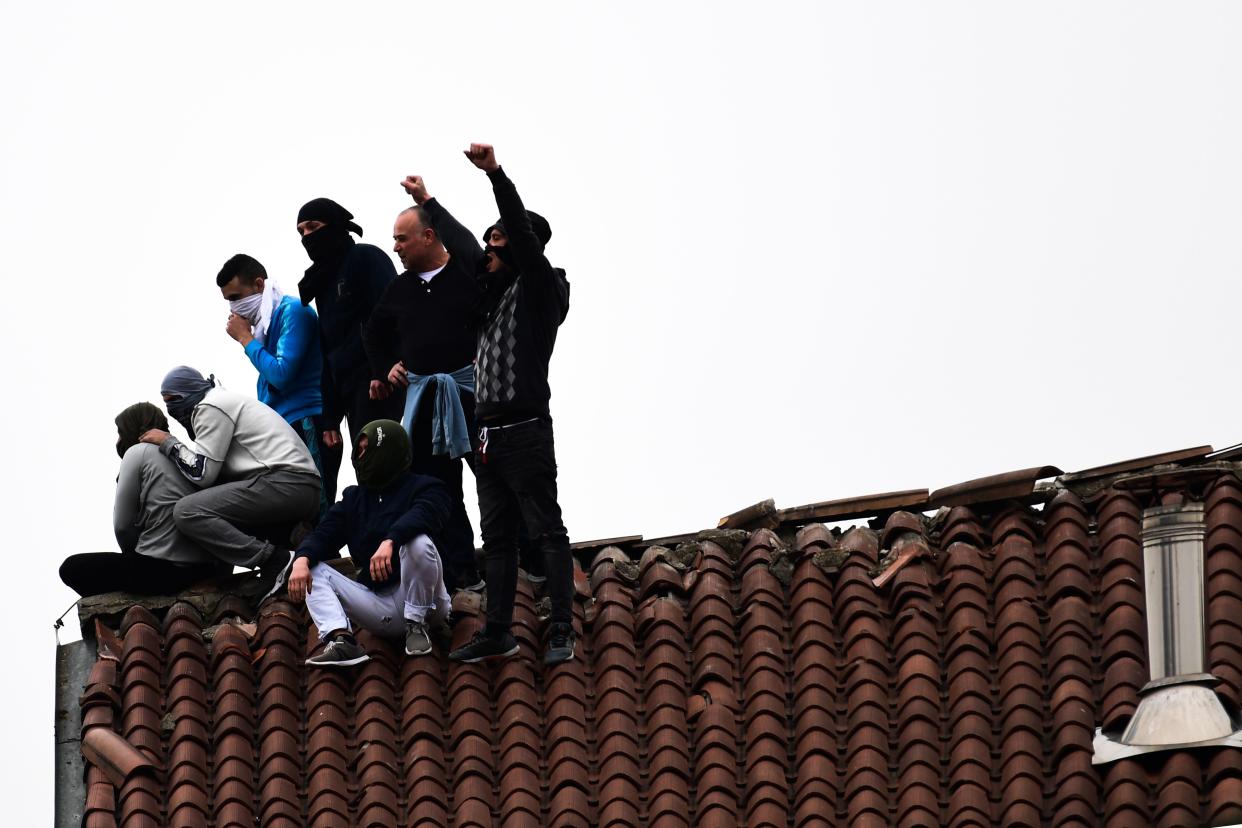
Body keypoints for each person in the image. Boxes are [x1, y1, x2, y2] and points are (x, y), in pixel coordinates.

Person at [431, 144, 574, 666]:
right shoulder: (489, 301)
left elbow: (520, 235)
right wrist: (430, 205)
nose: (489, 247)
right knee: (497, 541)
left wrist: (496, 175)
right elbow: (466, 246)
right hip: (487, 437)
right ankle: (498, 630)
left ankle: (561, 627)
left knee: (546, 530)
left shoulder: (540, 289)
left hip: (527, 431)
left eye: (500, 239)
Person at [361, 194, 483, 594]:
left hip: (471, 394)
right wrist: (386, 367)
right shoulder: (399, 288)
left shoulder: (466, 274)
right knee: (438, 490)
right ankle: (460, 572)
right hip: (425, 402)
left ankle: (514, 559)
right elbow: (374, 333)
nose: (394, 247)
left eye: (401, 239)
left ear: (428, 236)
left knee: (494, 479)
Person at [140, 366, 322, 599]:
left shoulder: (209, 407)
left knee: (187, 511)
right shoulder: (221, 401)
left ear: (191, 391)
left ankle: (274, 561)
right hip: (299, 487)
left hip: (285, 482)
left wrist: (168, 443)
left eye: (174, 400)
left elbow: (201, 473)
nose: (171, 408)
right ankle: (292, 535)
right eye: (165, 402)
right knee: (217, 500)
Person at [287, 420, 453, 666]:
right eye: (359, 450)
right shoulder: (354, 499)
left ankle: (416, 625)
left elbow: (427, 513)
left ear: (387, 450)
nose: (361, 456)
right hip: (382, 606)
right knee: (311, 568)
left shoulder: (426, 487)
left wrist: (392, 540)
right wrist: (301, 559)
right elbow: (324, 533)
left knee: (418, 542)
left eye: (368, 449)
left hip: (428, 603)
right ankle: (342, 640)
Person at [59, 403, 226, 597]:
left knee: (71, 568)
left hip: (163, 570)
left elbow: (123, 526)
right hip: (206, 568)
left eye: (121, 432)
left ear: (133, 428)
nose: (118, 441)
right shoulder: (185, 455)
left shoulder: (138, 452)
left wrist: (133, 555)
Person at [295, 197, 403, 499]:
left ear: (336, 226)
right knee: (365, 468)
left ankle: (397, 539)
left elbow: (392, 317)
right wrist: (330, 417)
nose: (307, 237)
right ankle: (377, 538)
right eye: (301, 231)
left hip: (378, 384)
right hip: (347, 390)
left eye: (313, 227)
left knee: (383, 464)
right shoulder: (322, 282)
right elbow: (329, 351)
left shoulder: (366, 258)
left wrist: (382, 371)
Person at [218, 252, 330, 520]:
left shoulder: (293, 311)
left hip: (306, 420)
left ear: (259, 285)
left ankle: (329, 558)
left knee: (317, 503)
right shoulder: (264, 323)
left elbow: (281, 374)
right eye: (228, 301)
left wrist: (246, 339)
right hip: (282, 425)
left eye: (236, 297)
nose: (233, 309)